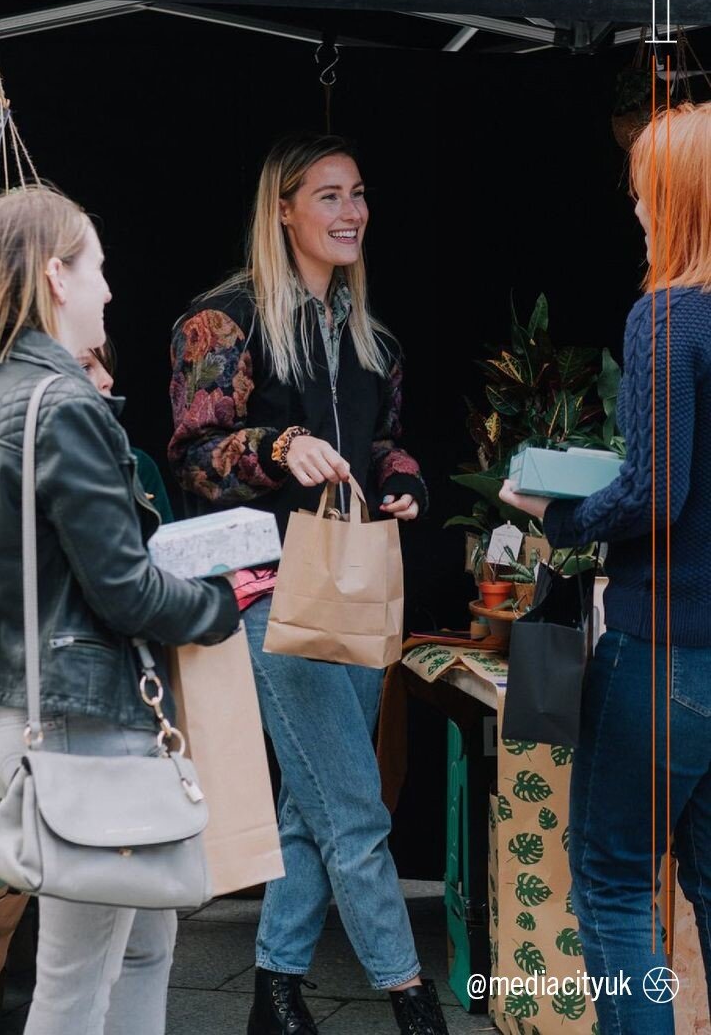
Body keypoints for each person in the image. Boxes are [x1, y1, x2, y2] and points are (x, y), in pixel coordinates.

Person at [0, 186, 240, 1035]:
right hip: (82, 725)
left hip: (36, 713)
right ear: (54, 277)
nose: (110, 288)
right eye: (97, 267)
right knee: (75, 982)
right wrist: (219, 604)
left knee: (142, 951)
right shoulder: (65, 405)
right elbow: (126, 589)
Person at [169, 133, 448, 1035]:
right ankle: (413, 1000)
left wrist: (400, 474)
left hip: (355, 585)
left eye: (358, 193)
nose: (350, 211)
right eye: (327, 195)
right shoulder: (222, 320)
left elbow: (379, 439)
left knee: (313, 804)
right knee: (355, 806)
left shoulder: (373, 338)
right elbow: (196, 461)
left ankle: (274, 993)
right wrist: (280, 449)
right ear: (282, 209)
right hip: (266, 593)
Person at [500, 101, 711, 1035]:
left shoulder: (665, 320)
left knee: (615, 890)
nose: (633, 210)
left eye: (642, 193)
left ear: (676, 201)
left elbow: (655, 494)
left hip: (660, 644)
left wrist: (560, 514)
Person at [77, 342, 177, 522]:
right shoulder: (25, 475)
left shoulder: (138, 466)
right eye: (85, 367)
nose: (108, 379)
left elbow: (164, 546)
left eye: (105, 366)